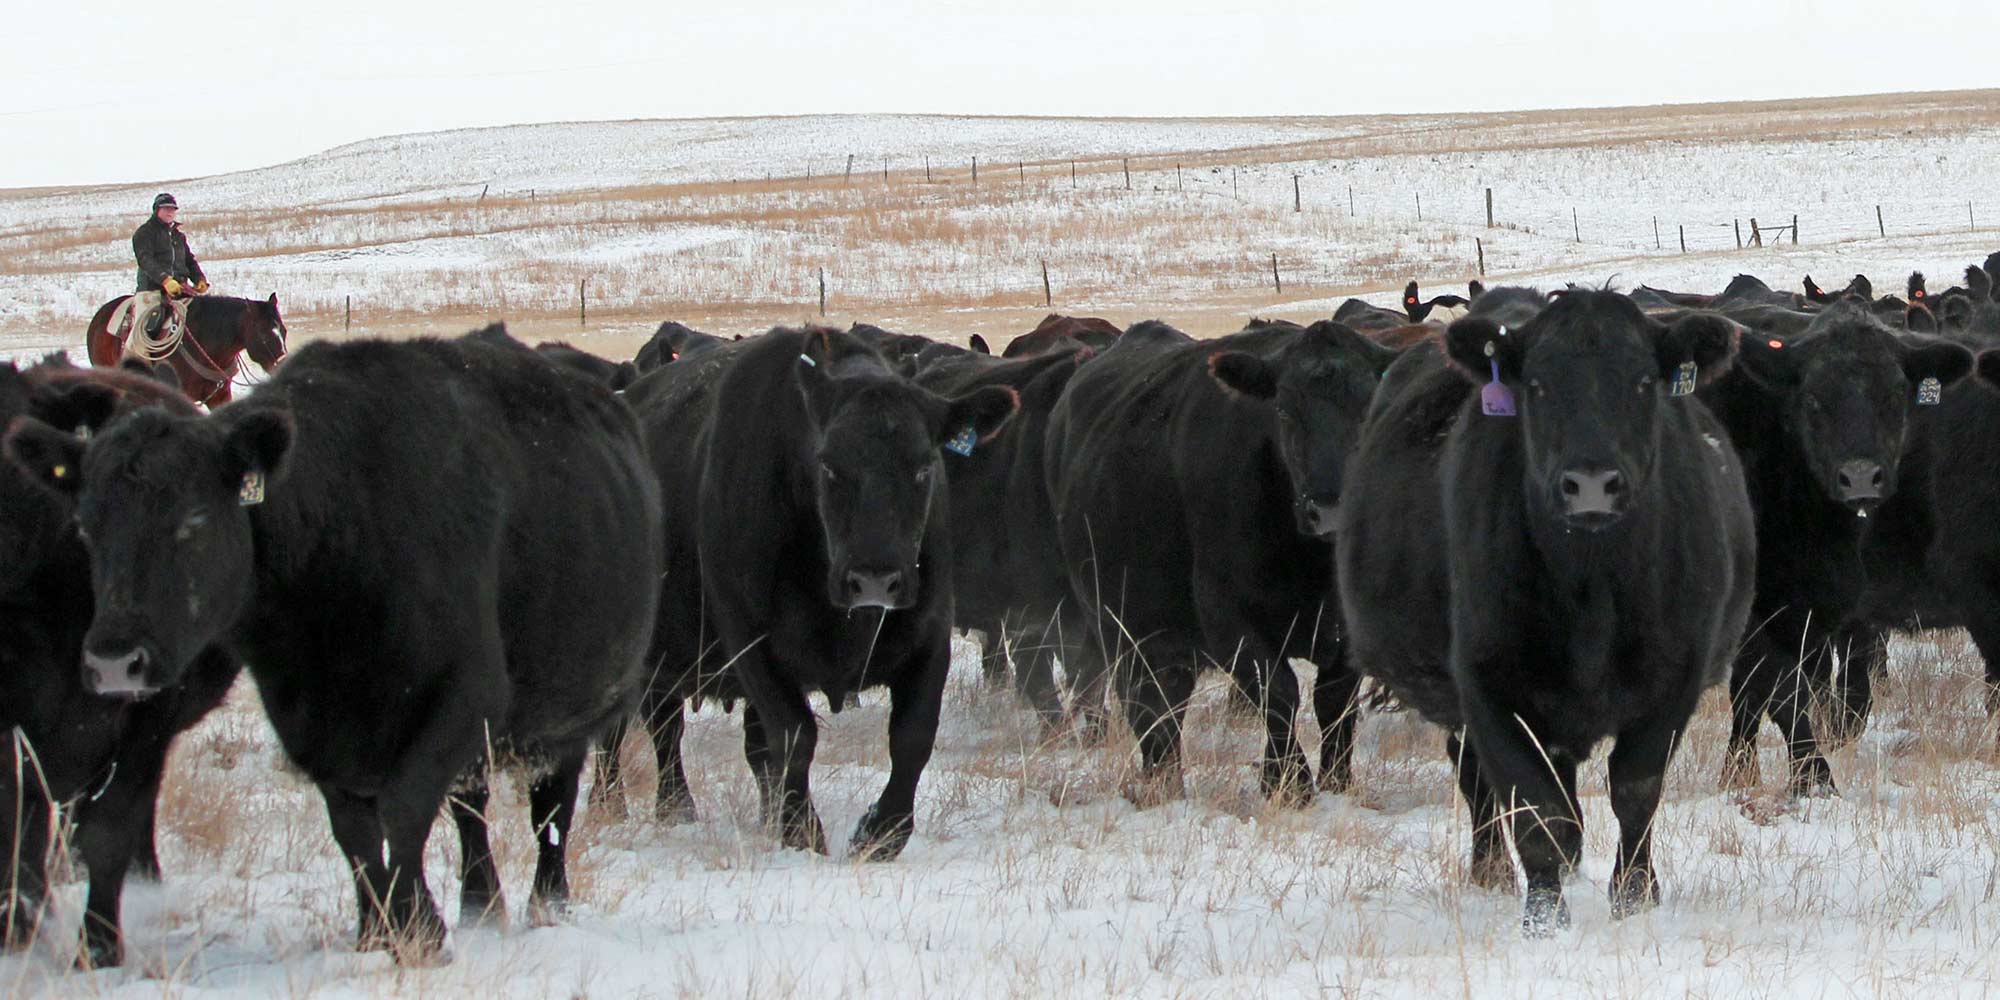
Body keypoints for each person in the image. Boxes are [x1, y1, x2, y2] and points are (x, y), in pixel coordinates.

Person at [132, 193, 207, 335]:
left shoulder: (178, 236)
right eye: (166, 208)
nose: (170, 212)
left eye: (173, 209)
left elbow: (189, 260)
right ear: (156, 210)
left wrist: (199, 279)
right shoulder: (144, 233)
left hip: (181, 289)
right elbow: (145, 260)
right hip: (152, 289)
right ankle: (136, 353)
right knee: (145, 328)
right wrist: (165, 279)